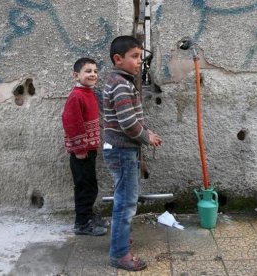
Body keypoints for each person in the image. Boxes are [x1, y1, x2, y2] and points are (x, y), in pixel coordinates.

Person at [102, 36, 162, 271]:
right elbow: (128, 124)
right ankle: (119, 254)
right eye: (134, 57)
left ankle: (120, 238)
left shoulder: (121, 81)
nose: (139, 62)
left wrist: (146, 130)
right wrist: (147, 137)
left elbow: (132, 118)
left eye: (140, 56)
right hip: (123, 151)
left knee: (123, 200)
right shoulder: (120, 84)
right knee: (126, 204)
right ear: (118, 59)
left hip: (121, 149)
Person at [62, 57, 107, 235]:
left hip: (89, 150)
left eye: (95, 71)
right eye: (88, 71)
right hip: (81, 153)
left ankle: (87, 215)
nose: (93, 74)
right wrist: (80, 149)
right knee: (84, 188)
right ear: (76, 75)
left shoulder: (89, 93)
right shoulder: (76, 96)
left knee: (90, 186)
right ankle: (82, 223)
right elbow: (71, 123)